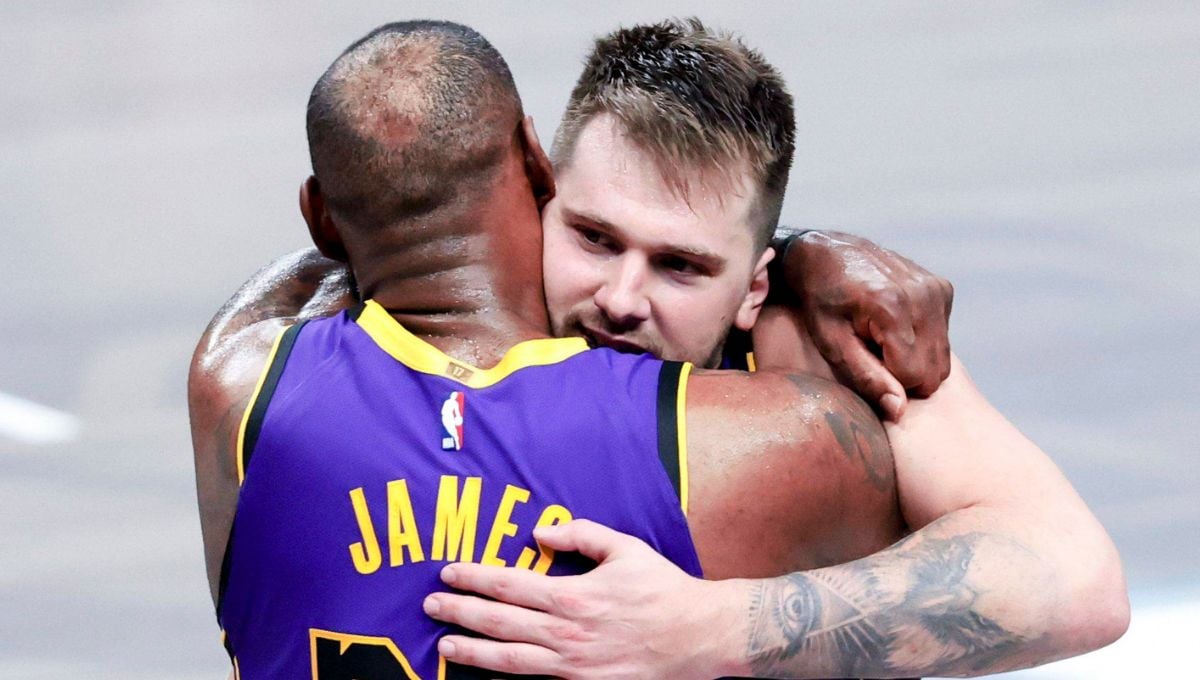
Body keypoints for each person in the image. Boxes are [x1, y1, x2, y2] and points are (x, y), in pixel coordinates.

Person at [191, 19, 1127, 680]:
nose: (621, 300)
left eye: (681, 266)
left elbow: (1081, 585)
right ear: (539, 184)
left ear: (752, 285)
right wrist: (807, 248)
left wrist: (707, 627)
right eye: (594, 237)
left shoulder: (822, 341)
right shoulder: (795, 414)